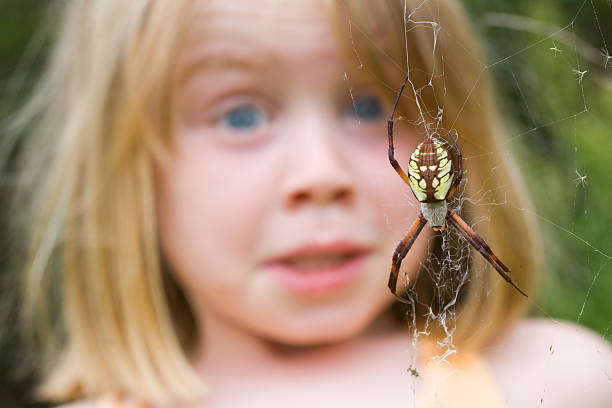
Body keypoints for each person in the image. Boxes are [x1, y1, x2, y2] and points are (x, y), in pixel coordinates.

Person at [5, 0, 611, 407]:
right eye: (241, 116)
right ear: (128, 179)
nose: (321, 175)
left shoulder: (557, 378)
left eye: (370, 107)